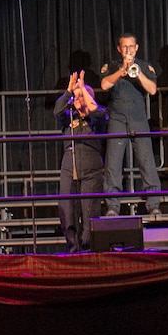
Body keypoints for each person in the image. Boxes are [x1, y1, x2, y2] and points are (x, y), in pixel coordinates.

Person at [97, 33, 163, 217]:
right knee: (113, 164)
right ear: (119, 49)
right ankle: (112, 206)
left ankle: (153, 204)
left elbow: (152, 89)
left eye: (131, 47)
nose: (128, 50)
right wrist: (121, 72)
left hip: (139, 119)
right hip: (117, 119)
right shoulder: (111, 66)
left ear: (136, 48)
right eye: (124, 47)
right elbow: (104, 85)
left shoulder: (144, 66)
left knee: (147, 162)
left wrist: (137, 72)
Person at [55, 71, 110, 251]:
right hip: (69, 166)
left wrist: (84, 90)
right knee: (68, 211)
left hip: (91, 167)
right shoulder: (69, 118)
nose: (77, 99)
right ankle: (73, 249)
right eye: (76, 97)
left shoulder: (98, 117)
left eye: (81, 96)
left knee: (89, 212)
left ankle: (88, 249)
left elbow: (96, 111)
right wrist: (69, 92)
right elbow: (57, 112)